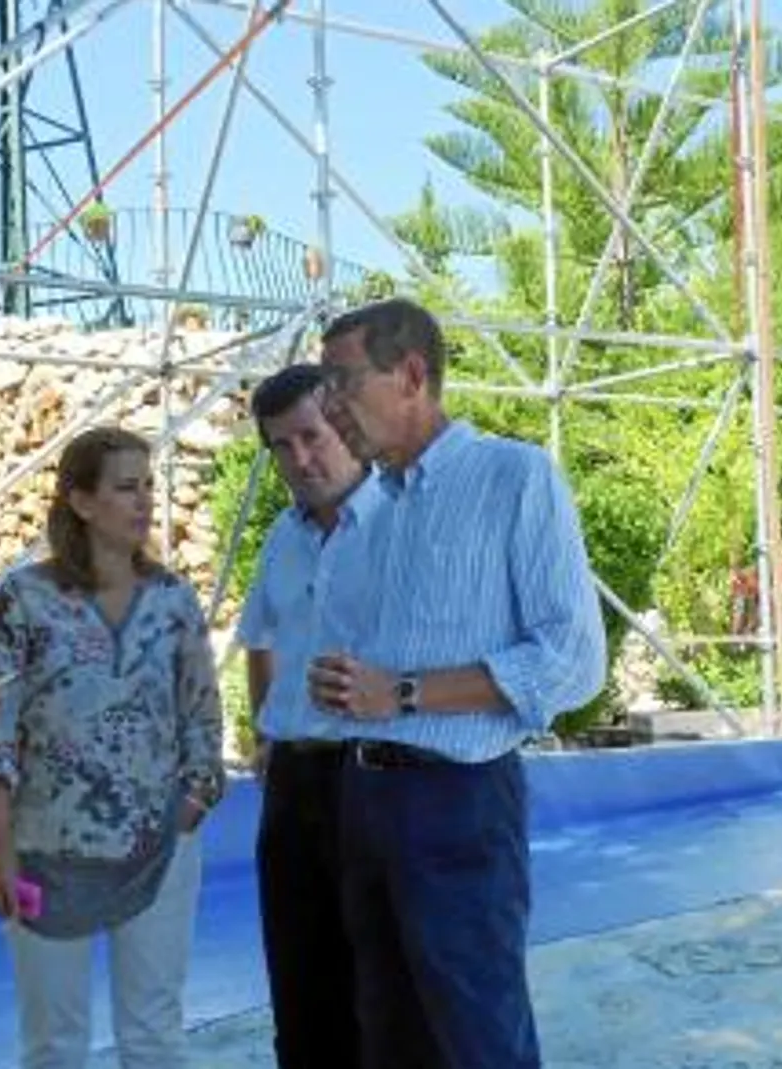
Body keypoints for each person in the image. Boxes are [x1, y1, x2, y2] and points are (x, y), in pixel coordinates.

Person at [306, 297, 607, 1069]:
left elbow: (572, 658)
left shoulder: (514, 477)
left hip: (460, 801)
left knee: (477, 1037)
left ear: (410, 375)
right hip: (363, 798)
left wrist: (401, 692)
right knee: (388, 1034)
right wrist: (343, 687)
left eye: (342, 382)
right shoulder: (372, 512)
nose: (330, 405)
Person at [0, 426, 227, 1069]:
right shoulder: (25, 599)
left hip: (160, 849)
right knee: (53, 1041)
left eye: (149, 488)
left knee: (154, 1034)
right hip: (43, 855)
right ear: (81, 501)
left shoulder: (172, 600)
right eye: (126, 488)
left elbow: (202, 715)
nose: (144, 503)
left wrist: (190, 804)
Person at [234, 364, 384, 1069]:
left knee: (384, 984)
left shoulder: (401, 524)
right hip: (294, 784)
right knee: (299, 981)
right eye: (281, 445)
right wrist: (267, 734)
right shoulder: (281, 540)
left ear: (344, 425)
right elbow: (258, 637)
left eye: (311, 435)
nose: (301, 458)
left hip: (378, 778)